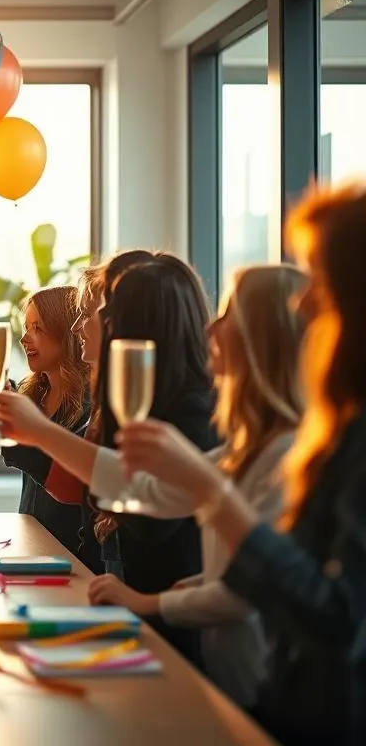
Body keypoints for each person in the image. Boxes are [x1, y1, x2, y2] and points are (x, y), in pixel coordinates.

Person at [114, 185, 366, 744]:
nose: (301, 302)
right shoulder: (333, 432)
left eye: (318, 279)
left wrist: (211, 493)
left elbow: (337, 616)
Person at [74, 265, 305, 708]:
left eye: (228, 313)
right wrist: (196, 583)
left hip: (267, 694)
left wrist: (150, 602)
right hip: (230, 677)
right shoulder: (245, 448)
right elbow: (150, 493)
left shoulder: (285, 453)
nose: (211, 326)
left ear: (263, 337)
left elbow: (246, 590)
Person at [0, 255, 218, 664]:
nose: (80, 328)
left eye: (95, 314)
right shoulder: (135, 405)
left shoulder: (191, 414)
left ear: (128, 324)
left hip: (173, 640)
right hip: (130, 617)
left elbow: (144, 512)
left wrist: (38, 432)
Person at [1, 286, 90, 553]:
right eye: (26, 327)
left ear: (67, 333)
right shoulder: (31, 397)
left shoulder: (91, 405)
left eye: (37, 328)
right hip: (32, 546)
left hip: (73, 556)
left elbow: (74, 488)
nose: (25, 338)